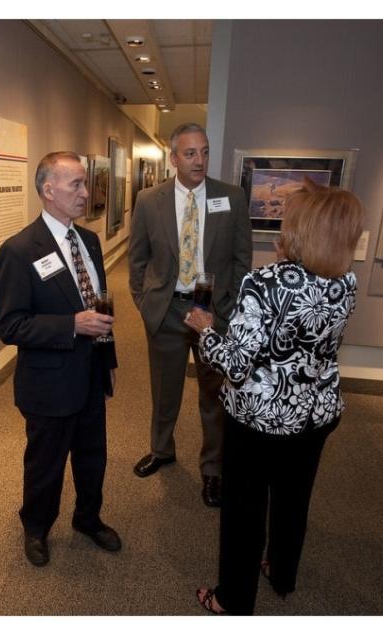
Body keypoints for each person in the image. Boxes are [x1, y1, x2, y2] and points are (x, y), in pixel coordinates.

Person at [185, 177, 364, 615]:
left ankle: (233, 599)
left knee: (244, 511)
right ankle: (282, 573)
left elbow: (236, 364)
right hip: (316, 414)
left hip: (259, 420)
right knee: (293, 499)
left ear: (299, 230)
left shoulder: (263, 283)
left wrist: (205, 330)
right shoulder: (347, 283)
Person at [0, 151, 120, 567]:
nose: (86, 193)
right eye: (77, 185)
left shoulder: (90, 241)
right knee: (45, 465)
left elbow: (98, 303)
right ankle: (36, 527)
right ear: (49, 190)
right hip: (48, 381)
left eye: (86, 184)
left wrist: (108, 360)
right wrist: (71, 324)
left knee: (92, 457)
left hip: (90, 373)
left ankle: (88, 518)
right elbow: (11, 326)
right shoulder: (18, 250)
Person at [128, 123, 252, 507]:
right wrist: (145, 301)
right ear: (173, 157)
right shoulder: (149, 200)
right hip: (167, 310)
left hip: (212, 313)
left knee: (213, 396)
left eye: (205, 152)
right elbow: (138, 259)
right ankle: (162, 450)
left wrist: (228, 311)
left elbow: (241, 259)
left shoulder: (231, 198)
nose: (199, 161)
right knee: (164, 391)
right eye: (190, 153)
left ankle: (213, 470)